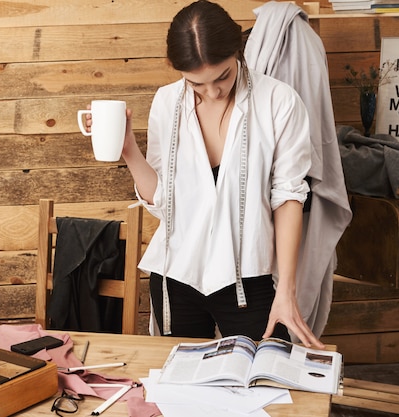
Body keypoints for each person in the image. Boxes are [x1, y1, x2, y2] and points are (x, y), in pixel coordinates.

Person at [85, 1, 323, 348]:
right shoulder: (166, 103)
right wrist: (128, 150)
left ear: (238, 52)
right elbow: (161, 202)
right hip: (176, 276)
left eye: (223, 76)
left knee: (262, 386)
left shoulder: (279, 102)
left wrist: (285, 289)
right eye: (196, 84)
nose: (213, 92)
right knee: (180, 392)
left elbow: (288, 198)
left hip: (250, 279)